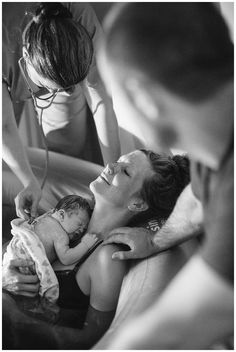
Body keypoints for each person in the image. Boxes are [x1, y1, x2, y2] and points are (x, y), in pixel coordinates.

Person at [95, 2, 234, 349]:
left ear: (144, 100)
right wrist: (156, 241)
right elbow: (196, 201)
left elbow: (178, 326)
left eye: (115, 95)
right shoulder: (215, 143)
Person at [3, 150, 192, 349]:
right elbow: (20, 247)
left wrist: (9, 312)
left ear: (138, 203)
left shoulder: (106, 259)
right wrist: (6, 273)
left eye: (125, 171)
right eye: (118, 161)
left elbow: (90, 340)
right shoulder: (72, 216)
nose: (111, 166)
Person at [2, 2, 120, 222]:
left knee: (68, 141)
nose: (56, 94)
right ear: (25, 55)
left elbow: (102, 103)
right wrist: (28, 181)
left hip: (61, 68)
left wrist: (113, 174)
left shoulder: (81, 21)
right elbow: (4, 127)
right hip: (8, 67)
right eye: (49, 88)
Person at [3, 195, 97, 302]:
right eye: (79, 224)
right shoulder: (61, 235)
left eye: (84, 229)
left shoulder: (45, 217)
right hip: (24, 262)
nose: (81, 231)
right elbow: (66, 258)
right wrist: (85, 244)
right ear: (61, 214)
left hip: (14, 252)